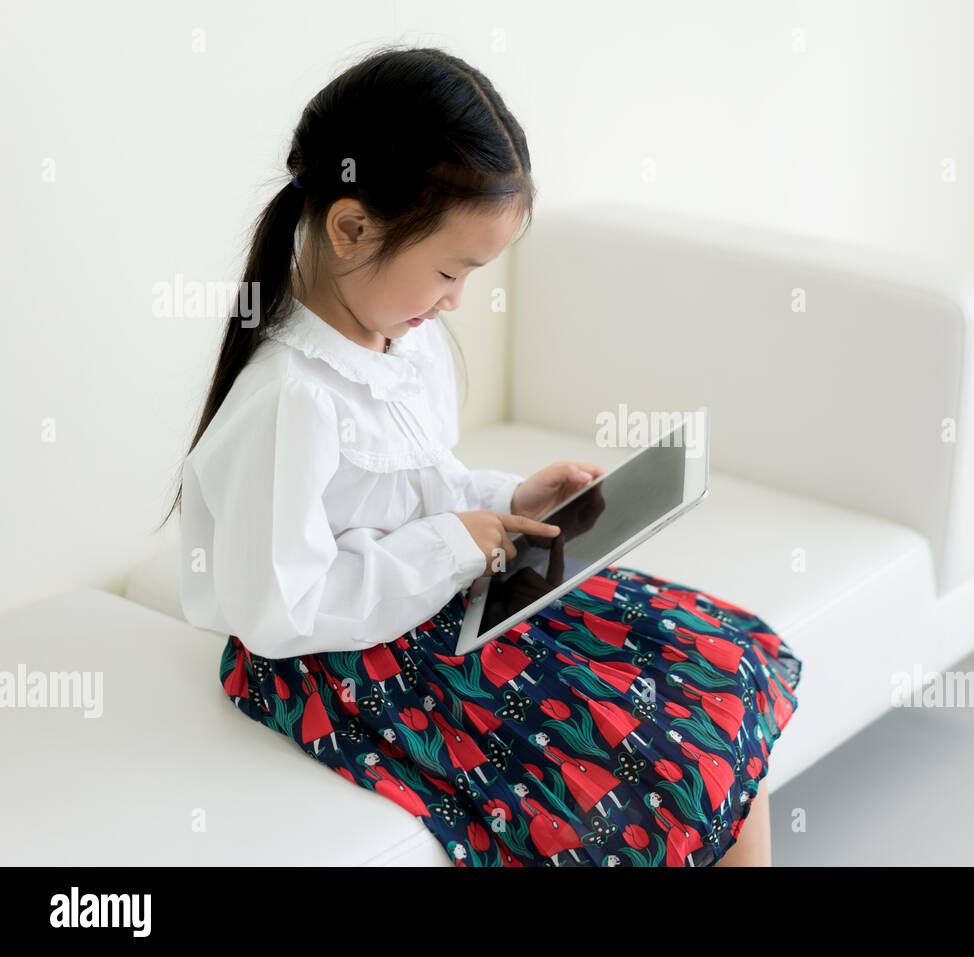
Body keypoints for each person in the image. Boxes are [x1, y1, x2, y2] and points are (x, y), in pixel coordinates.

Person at [160, 44, 802, 867]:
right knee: (643, 768)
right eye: (449, 270)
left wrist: (511, 500)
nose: (458, 298)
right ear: (352, 227)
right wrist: (458, 541)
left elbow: (415, 486)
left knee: (720, 667)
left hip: (438, 596)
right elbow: (280, 609)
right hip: (339, 661)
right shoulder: (292, 400)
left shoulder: (402, 337)